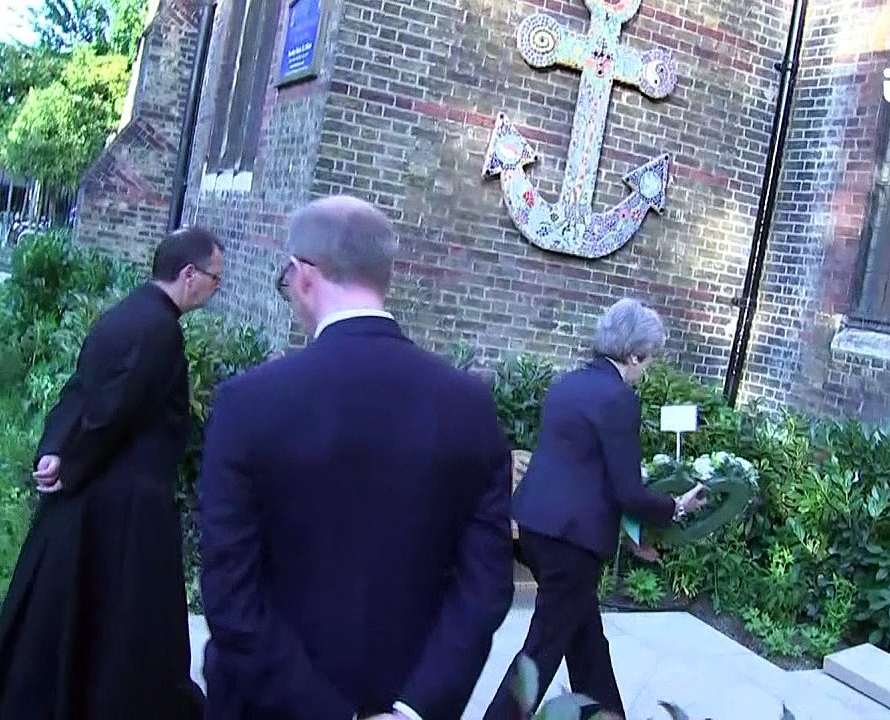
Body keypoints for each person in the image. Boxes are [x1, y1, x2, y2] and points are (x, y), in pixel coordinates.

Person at [197, 195, 515, 720]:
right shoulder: (469, 404)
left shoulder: (248, 403)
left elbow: (231, 592)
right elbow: (484, 587)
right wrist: (414, 708)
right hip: (408, 697)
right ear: (383, 276)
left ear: (302, 276)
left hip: (268, 705)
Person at [0, 227, 225, 720]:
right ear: (188, 275)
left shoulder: (127, 314)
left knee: (67, 630)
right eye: (214, 279)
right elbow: (113, 405)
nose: (215, 289)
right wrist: (71, 462)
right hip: (120, 511)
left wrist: (57, 451)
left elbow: (80, 392)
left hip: (94, 500)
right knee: (121, 639)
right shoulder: (158, 329)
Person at [483, 299, 709, 720]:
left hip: (534, 528)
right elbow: (627, 491)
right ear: (634, 354)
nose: (647, 369)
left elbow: (586, 475)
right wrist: (673, 508)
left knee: (586, 640)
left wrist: (635, 533)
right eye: (649, 359)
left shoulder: (567, 384)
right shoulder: (618, 398)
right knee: (541, 651)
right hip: (572, 543)